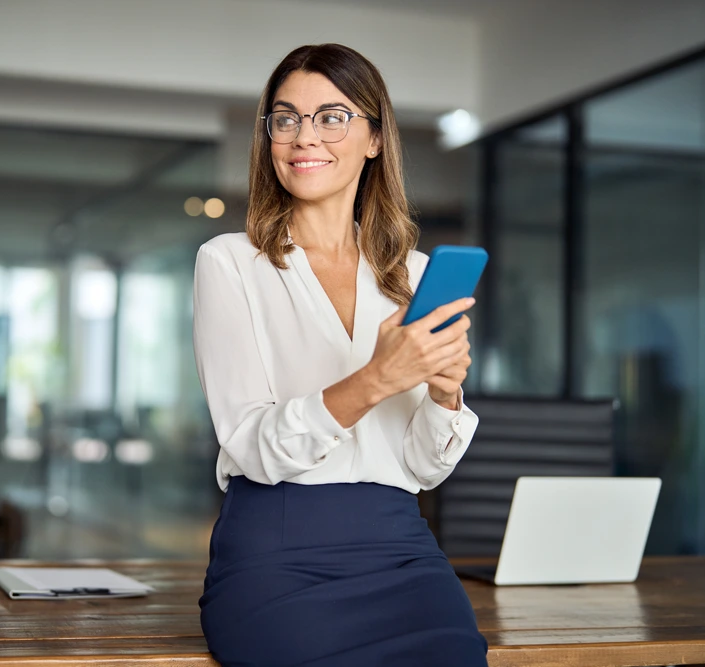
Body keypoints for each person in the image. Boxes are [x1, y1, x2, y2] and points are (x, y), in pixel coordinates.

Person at [193, 44, 487, 665]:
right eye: (286, 118)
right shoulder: (230, 262)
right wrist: (377, 379)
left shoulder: (411, 275)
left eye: (332, 116)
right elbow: (250, 445)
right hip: (276, 553)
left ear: (375, 139)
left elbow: (423, 469)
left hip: (402, 548)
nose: (305, 137)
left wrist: (444, 394)